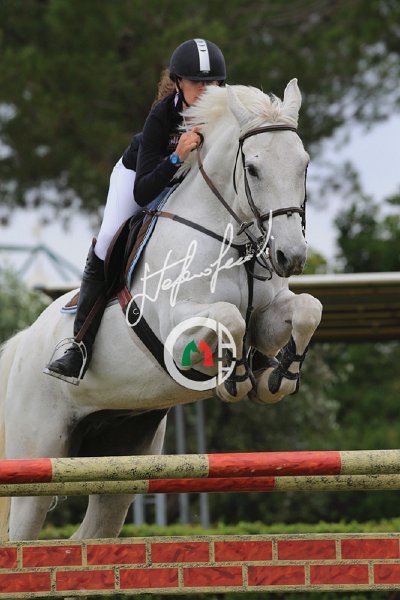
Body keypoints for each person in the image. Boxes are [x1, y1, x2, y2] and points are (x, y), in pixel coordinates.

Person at [44, 38, 227, 385]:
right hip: (139, 176)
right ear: (178, 82)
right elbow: (143, 191)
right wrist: (176, 157)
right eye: (196, 82)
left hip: (188, 181)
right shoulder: (162, 116)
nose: (206, 90)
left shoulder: (227, 111)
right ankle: (78, 346)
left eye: (213, 82)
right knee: (107, 241)